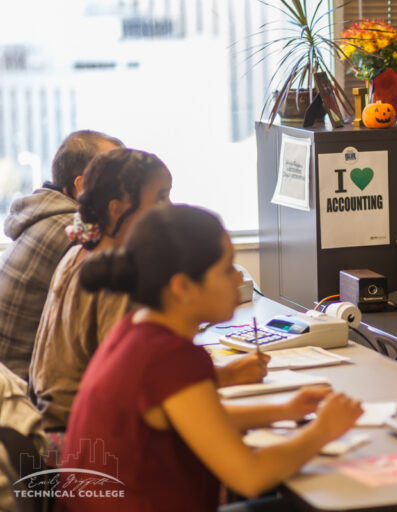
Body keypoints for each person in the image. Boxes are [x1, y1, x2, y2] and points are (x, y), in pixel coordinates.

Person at [57, 204, 363, 511]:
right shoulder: (171, 357)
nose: (237, 279)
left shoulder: (135, 328)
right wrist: (322, 431)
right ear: (183, 287)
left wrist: (285, 409)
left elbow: (198, 419)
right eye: (226, 268)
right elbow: (250, 477)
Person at [28, 149, 270, 432]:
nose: (169, 208)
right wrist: (226, 378)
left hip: (56, 427)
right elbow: (138, 384)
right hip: (80, 439)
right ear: (117, 209)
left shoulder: (84, 253)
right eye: (160, 197)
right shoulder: (117, 282)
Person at [0, 130, 123, 380]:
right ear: (82, 186)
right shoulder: (75, 232)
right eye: (118, 177)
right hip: (27, 397)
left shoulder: (43, 215)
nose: (127, 187)